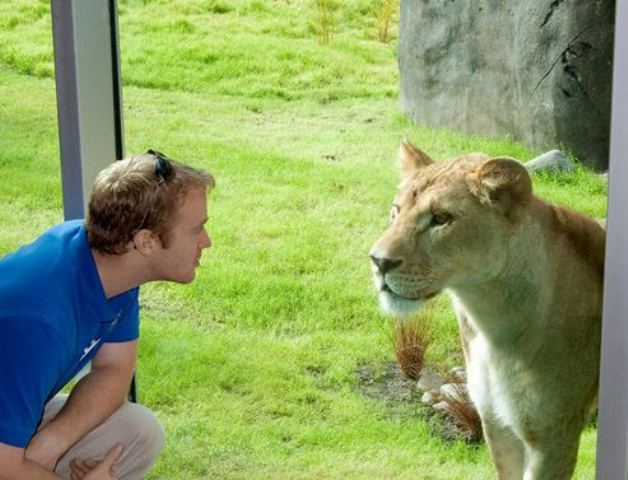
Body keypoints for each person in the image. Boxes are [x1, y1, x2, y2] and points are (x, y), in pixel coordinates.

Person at [0, 150, 215, 479]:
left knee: (139, 431)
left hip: (13, 420)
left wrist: (48, 448)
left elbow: (113, 372)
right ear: (146, 242)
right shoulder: (38, 321)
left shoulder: (110, 267)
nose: (207, 241)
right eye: (196, 229)